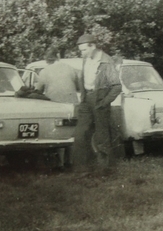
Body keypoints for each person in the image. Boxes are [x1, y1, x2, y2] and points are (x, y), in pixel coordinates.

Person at [72, 33, 122, 173]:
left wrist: (104, 102)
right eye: (80, 50)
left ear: (93, 46)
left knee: (102, 136)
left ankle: (105, 170)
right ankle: (82, 169)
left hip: (99, 101)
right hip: (86, 100)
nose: (82, 53)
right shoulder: (86, 59)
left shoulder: (106, 62)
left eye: (84, 50)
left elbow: (116, 86)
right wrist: (83, 99)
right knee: (80, 134)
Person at [35, 47, 81, 168]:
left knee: (58, 132)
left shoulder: (44, 71)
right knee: (71, 132)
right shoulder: (71, 69)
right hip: (72, 104)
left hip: (55, 104)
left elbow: (38, 90)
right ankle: (70, 162)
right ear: (58, 56)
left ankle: (59, 163)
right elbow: (78, 87)